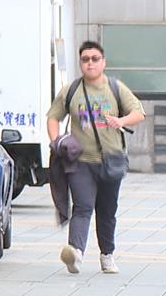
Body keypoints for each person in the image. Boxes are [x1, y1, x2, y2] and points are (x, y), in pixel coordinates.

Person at [46, 41, 145, 275]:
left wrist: (121, 121)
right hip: (80, 162)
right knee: (82, 207)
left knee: (107, 210)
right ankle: (76, 253)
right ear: (80, 63)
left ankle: (107, 254)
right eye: (85, 59)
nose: (89, 63)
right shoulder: (71, 91)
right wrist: (57, 141)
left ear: (103, 62)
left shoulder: (115, 88)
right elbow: (53, 117)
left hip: (111, 160)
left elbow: (138, 113)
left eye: (94, 59)